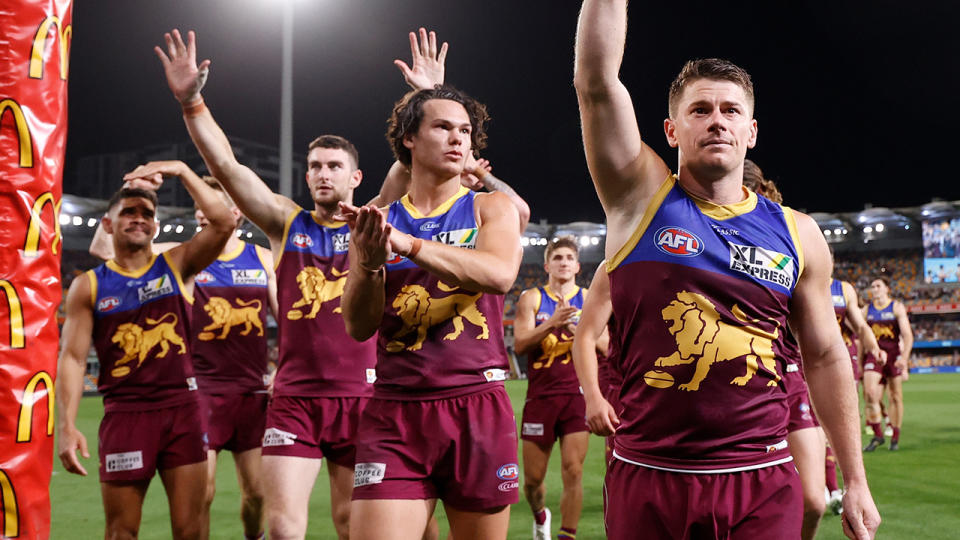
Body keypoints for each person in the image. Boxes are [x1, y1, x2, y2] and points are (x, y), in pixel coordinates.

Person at [574, 1, 879, 538]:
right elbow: (596, 82)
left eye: (731, 110)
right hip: (650, 475)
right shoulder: (638, 198)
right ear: (671, 130)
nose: (717, 120)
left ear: (752, 131)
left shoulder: (798, 232)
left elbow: (827, 354)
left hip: (760, 479)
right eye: (700, 110)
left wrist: (854, 478)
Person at [152, 28, 411, 539]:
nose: (322, 174)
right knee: (283, 527)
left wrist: (422, 97)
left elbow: (409, 163)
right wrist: (192, 102)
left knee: (348, 523)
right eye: (314, 165)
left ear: (356, 178)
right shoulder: (287, 224)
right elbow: (226, 167)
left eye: (335, 166)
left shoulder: (374, 218)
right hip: (294, 399)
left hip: (362, 396)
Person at [338, 81, 522, 538]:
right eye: (443, 127)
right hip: (396, 411)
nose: (459, 138)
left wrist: (411, 245)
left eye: (465, 130)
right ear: (409, 139)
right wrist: (371, 264)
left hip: (477, 406)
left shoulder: (489, 207)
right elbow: (358, 326)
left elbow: (499, 275)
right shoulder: (376, 222)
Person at [90, 175, 278, 540]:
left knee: (256, 494)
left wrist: (282, 370)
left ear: (236, 211)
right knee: (202, 493)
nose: (204, 216)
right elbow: (104, 250)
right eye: (199, 209)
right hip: (201, 393)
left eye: (213, 208)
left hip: (253, 394)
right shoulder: (179, 256)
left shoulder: (263, 259)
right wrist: (137, 194)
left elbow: (286, 318)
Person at [56, 162, 235, 540]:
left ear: (155, 226)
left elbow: (222, 223)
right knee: (121, 531)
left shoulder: (176, 264)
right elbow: (72, 358)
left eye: (147, 214)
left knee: (192, 531)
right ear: (108, 224)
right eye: (129, 212)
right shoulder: (88, 286)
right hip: (125, 417)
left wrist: (183, 172)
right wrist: (67, 427)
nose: (139, 219)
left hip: (182, 412)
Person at [513, 236, 590, 540]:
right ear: (547, 264)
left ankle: (566, 535)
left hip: (577, 396)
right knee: (532, 481)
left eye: (569, 258)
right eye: (557, 257)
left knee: (573, 470)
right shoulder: (531, 298)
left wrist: (574, 328)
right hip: (540, 397)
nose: (563, 262)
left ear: (577, 266)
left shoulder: (588, 298)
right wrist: (551, 323)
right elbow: (520, 343)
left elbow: (606, 347)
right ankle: (539, 515)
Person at [571, 261, 618, 465]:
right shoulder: (613, 269)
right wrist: (593, 396)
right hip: (628, 398)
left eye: (567, 258)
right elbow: (585, 338)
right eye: (557, 258)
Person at [863, 276, 913, 451]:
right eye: (872, 286)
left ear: (886, 289)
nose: (874, 288)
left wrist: (904, 359)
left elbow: (907, 335)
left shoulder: (896, 307)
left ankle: (895, 438)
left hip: (893, 356)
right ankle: (878, 435)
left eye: (878, 285)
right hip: (874, 355)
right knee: (870, 394)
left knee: (896, 397)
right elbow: (860, 334)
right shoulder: (866, 310)